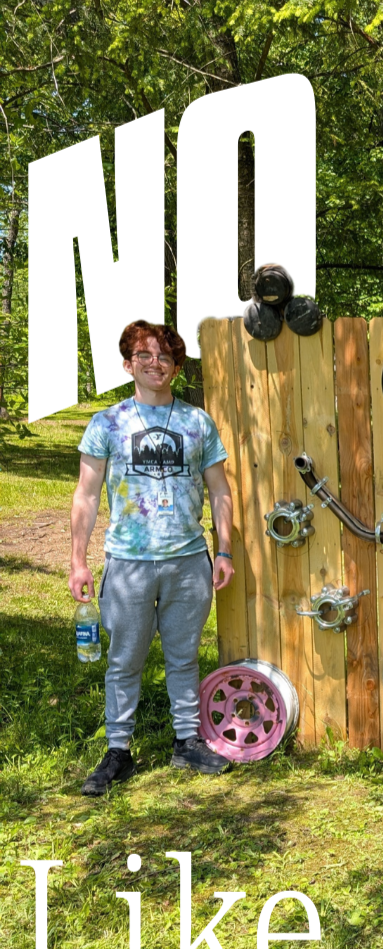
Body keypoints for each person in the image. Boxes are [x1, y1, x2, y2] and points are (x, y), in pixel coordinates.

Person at [69, 321, 236, 795]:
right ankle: (118, 751)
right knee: (125, 660)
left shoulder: (197, 423)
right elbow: (86, 495)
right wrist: (78, 561)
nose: (155, 363)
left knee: (184, 657)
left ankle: (187, 742)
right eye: (144, 355)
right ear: (128, 364)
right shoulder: (107, 423)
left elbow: (220, 490)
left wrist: (224, 549)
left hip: (189, 561)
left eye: (165, 356)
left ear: (176, 367)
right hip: (128, 564)